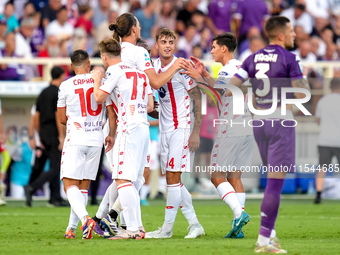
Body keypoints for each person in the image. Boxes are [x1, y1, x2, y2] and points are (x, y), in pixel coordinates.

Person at [230, 16, 309, 253]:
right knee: (275, 184)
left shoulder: (252, 57)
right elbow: (301, 93)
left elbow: (232, 86)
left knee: (271, 183)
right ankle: (263, 242)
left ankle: (270, 235)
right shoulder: (289, 58)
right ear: (282, 35)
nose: (295, 35)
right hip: (280, 121)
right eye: (292, 32)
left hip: (259, 122)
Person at [183, 32, 253, 238]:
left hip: (230, 126)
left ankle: (239, 214)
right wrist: (204, 74)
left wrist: (197, 78)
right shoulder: (240, 66)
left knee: (216, 176)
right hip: (247, 125)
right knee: (234, 176)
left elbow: (217, 95)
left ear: (224, 48)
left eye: (214, 47)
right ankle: (237, 227)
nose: (211, 50)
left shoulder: (226, 69)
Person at [145, 28, 205, 239]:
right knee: (174, 180)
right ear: (157, 45)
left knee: (172, 177)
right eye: (163, 41)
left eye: (171, 41)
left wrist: (195, 132)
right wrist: (151, 110)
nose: (168, 45)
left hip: (182, 128)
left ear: (175, 44)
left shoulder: (181, 66)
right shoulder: (152, 67)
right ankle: (195, 224)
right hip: (165, 129)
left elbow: (197, 98)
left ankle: (167, 229)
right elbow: (156, 94)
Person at [92, 38, 153, 239]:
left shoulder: (114, 71)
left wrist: (96, 79)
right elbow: (150, 105)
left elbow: (99, 98)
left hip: (128, 128)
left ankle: (132, 229)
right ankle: (138, 227)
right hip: (144, 126)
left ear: (104, 57)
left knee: (122, 179)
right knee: (134, 179)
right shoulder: (140, 73)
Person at [57, 50, 106, 239]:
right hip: (96, 139)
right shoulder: (98, 81)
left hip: (76, 138)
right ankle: (72, 229)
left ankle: (86, 219)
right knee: (83, 187)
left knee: (69, 185)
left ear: (71, 66)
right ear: (88, 64)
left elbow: (61, 118)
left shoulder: (66, 85)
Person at [24, 66, 67, 207]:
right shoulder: (57, 92)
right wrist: (61, 136)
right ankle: (32, 187)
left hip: (43, 133)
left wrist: (39, 134)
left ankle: (55, 197)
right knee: (55, 168)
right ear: (61, 76)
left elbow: (36, 115)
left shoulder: (43, 92)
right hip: (54, 133)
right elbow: (57, 115)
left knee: (54, 165)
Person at [314, 78, 340, 204]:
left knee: (322, 168)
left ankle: (318, 195)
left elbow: (318, 120)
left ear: (330, 87)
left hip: (324, 139)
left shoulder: (322, 101)